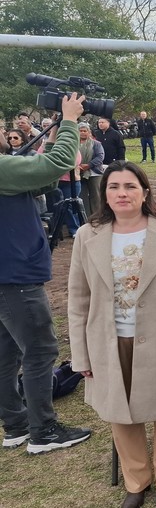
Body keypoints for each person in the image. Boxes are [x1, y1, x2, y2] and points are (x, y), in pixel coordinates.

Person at [68, 161, 156, 508]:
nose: (122, 193)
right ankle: (136, 480)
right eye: (114, 187)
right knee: (120, 414)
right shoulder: (87, 235)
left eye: (130, 186)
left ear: (144, 192)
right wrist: (81, 355)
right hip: (108, 341)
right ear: (105, 194)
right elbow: (78, 299)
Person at [0, 95, 92, 454]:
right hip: (15, 277)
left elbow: (40, 181)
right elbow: (57, 166)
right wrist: (69, 120)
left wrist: (54, 138)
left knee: (6, 352)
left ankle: (16, 424)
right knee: (39, 351)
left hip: (6, 275)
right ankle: (44, 431)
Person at [77, 123, 105, 218]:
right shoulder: (74, 144)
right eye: (80, 131)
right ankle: (86, 217)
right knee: (82, 196)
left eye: (85, 131)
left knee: (96, 195)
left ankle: (98, 216)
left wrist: (88, 165)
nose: (83, 133)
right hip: (79, 173)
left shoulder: (96, 144)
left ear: (89, 132)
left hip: (94, 173)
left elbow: (100, 157)